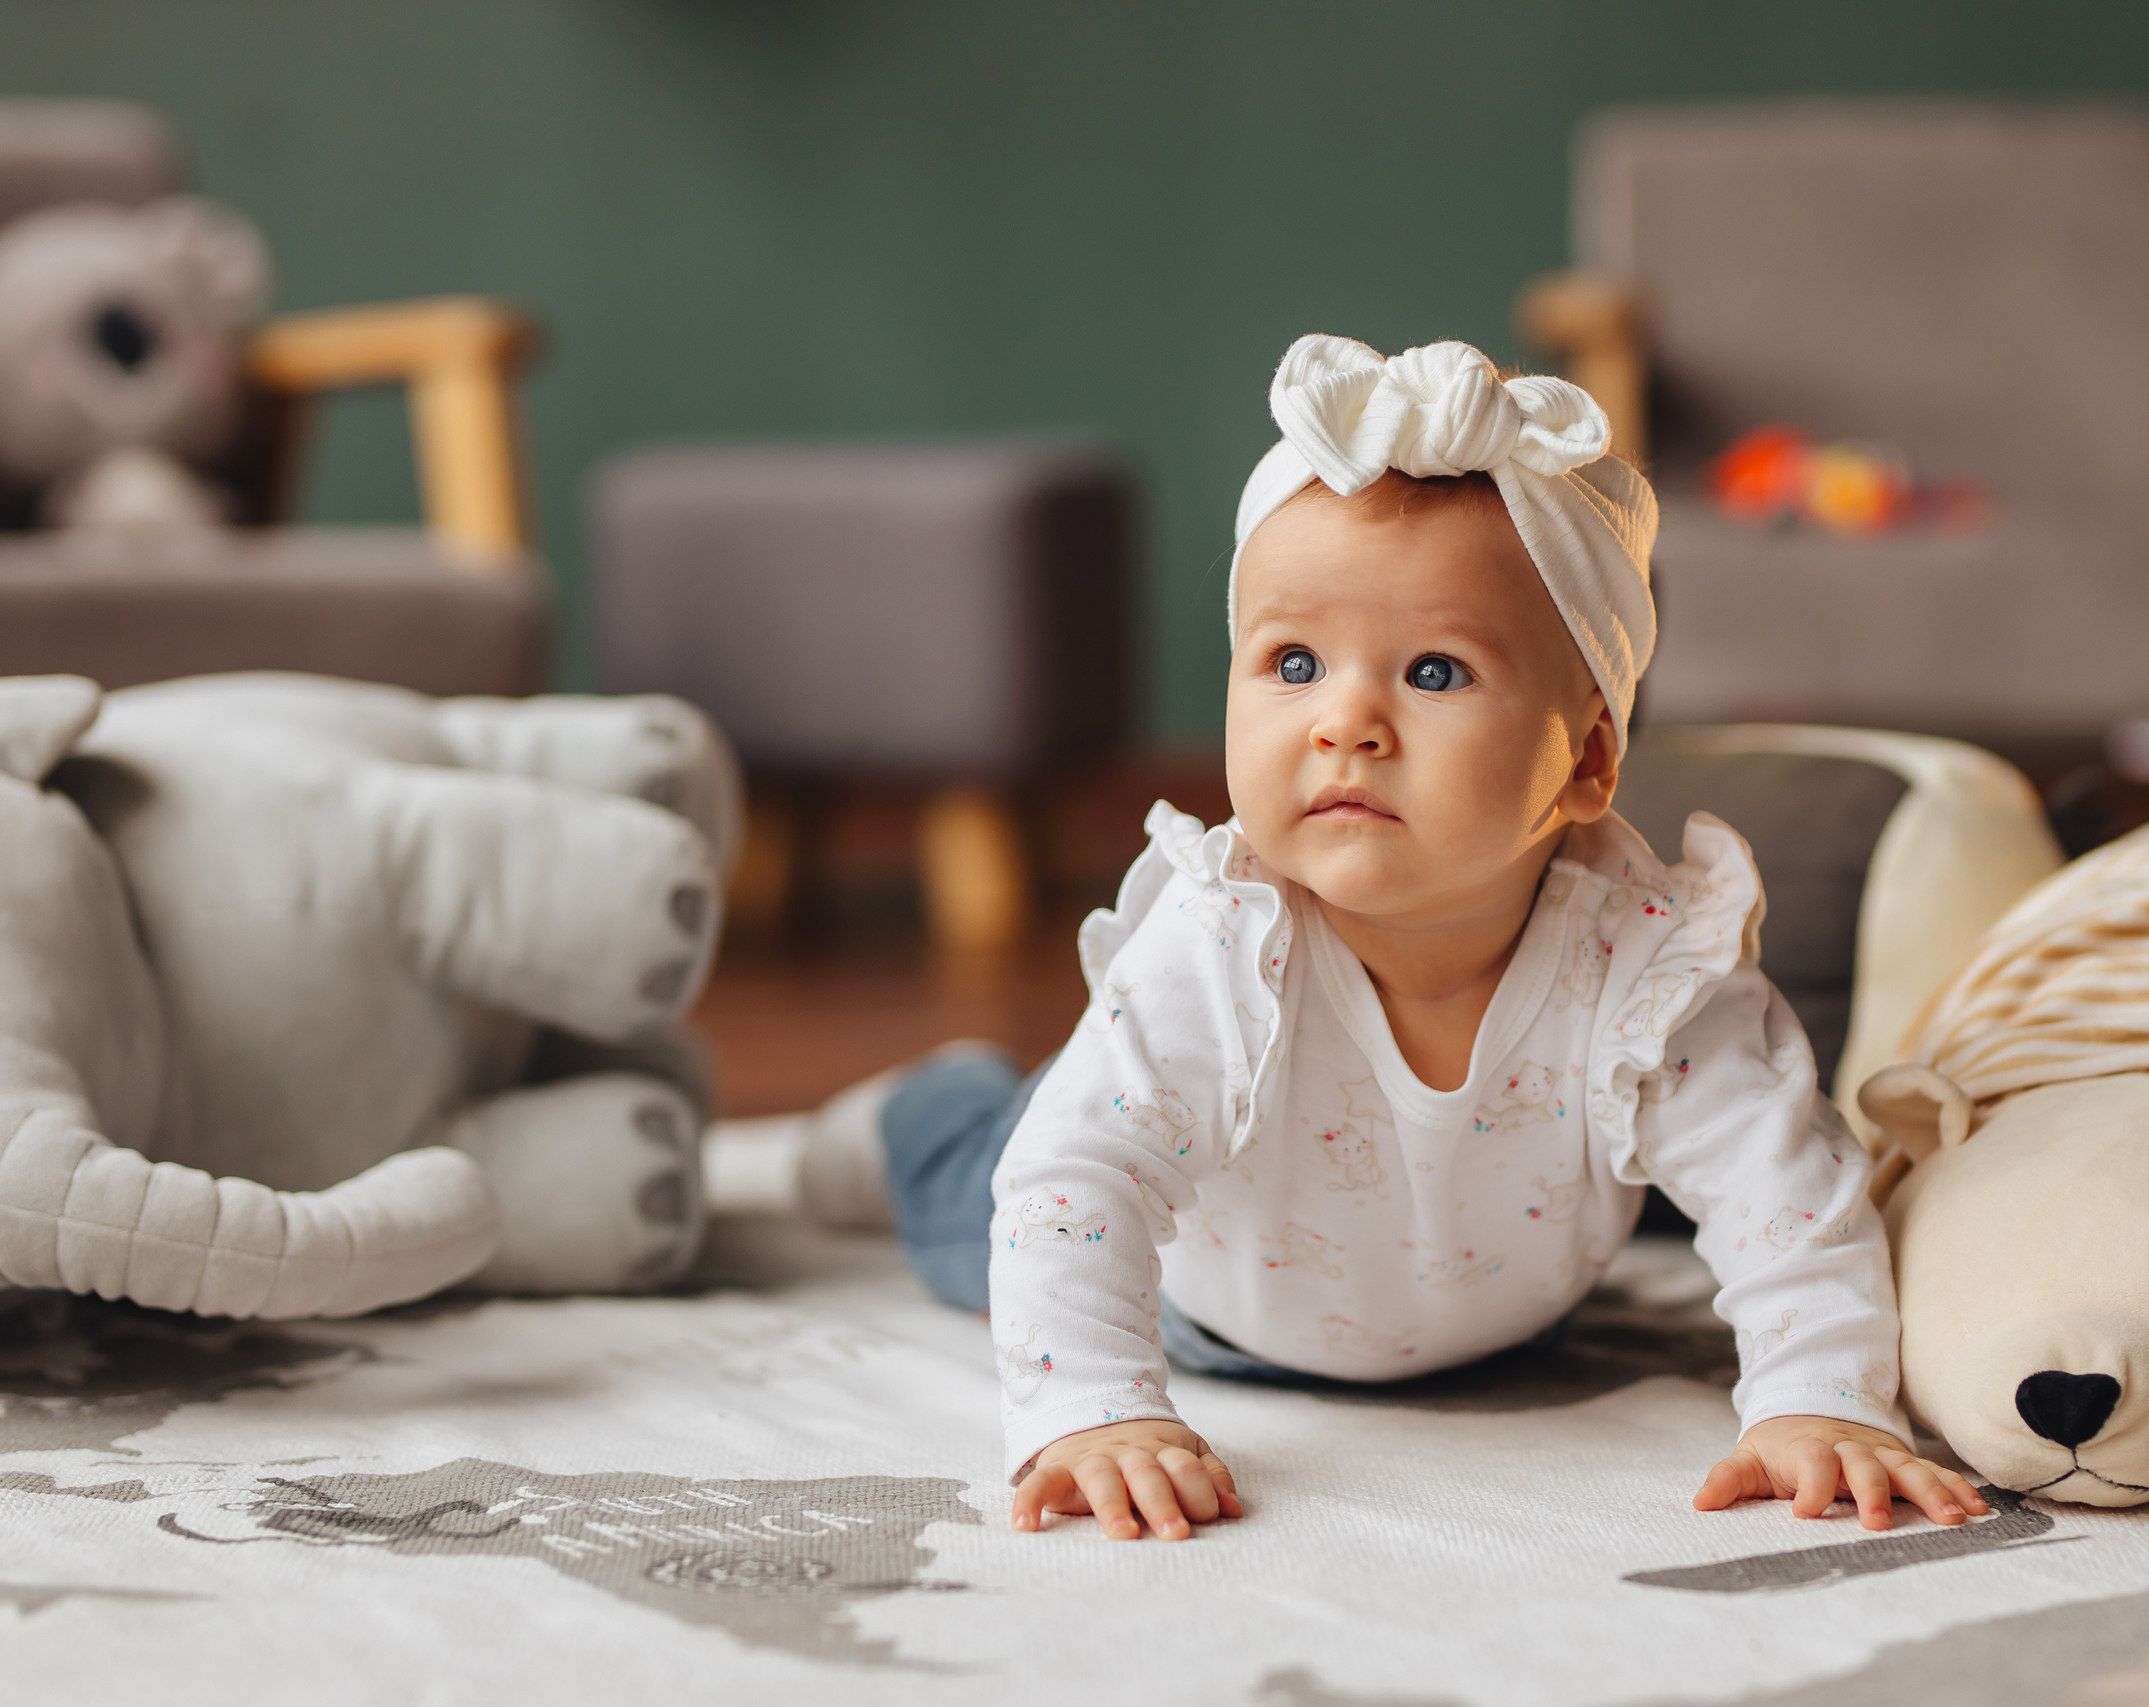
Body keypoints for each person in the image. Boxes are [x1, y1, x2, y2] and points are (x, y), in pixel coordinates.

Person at [734, 334, 1985, 1543]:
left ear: (1587, 760)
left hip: (1500, 1330)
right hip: (1204, 1303)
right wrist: (1093, 1413)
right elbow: (1079, 1188)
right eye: (1290, 662)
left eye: (1434, 673)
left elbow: (1785, 1186)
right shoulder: (1226, 940)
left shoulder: (1649, 964)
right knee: (993, 1166)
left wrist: (1817, 1399)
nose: (1347, 723)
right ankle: (916, 1114)